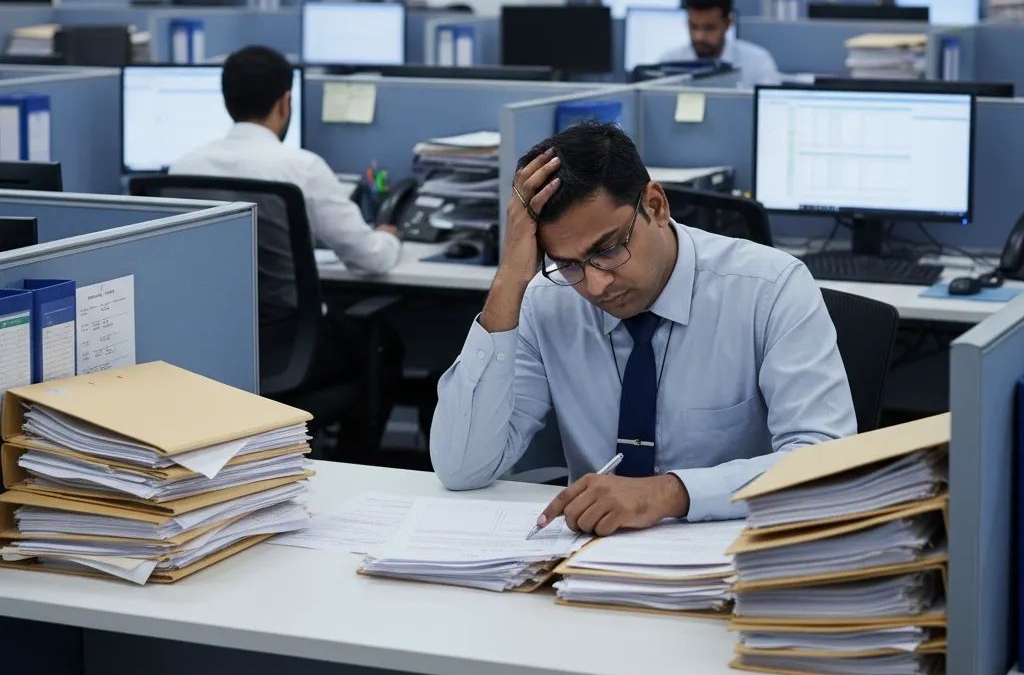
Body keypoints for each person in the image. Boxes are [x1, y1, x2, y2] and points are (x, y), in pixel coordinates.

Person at [430, 122, 855, 534]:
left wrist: (668, 494)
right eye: (569, 263)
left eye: (609, 249)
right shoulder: (547, 301)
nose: (595, 285)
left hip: (733, 555)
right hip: (591, 567)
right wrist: (510, 279)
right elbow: (462, 468)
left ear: (655, 205)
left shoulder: (770, 289)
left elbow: (826, 461)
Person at [171, 45, 400, 279]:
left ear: (226, 101)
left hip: (211, 314)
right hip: (283, 313)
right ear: (285, 102)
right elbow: (372, 259)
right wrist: (388, 237)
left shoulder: (182, 169)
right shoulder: (303, 169)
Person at [661, 0, 781, 88]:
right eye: (694, 27)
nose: (699, 37)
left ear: (728, 24)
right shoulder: (668, 63)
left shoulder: (757, 63)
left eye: (709, 28)